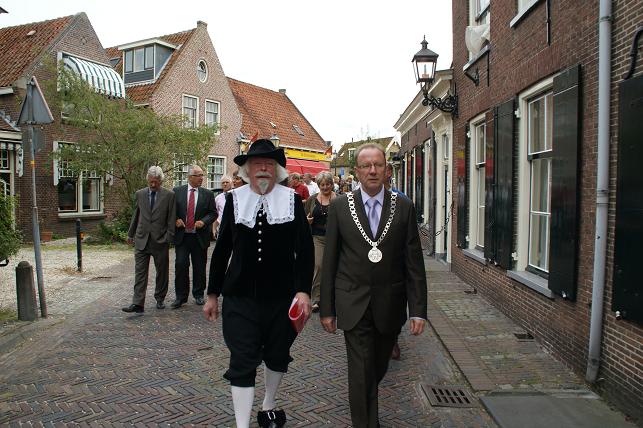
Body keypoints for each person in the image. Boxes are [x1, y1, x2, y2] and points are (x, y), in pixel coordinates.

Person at [203, 139, 314, 428]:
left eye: (268, 164)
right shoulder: (233, 200)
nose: (263, 168)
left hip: (281, 296)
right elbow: (223, 249)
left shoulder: (292, 200)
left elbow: (305, 249)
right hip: (240, 296)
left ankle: (268, 404)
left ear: (276, 170)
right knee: (242, 359)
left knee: (278, 353)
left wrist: (303, 290)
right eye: (257, 164)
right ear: (247, 170)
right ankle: (242, 425)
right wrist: (212, 293)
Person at [320, 143, 427, 428]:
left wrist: (418, 310)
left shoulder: (403, 207)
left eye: (378, 165)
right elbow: (329, 260)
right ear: (356, 171)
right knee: (359, 372)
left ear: (386, 170)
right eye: (366, 165)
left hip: (390, 304)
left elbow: (413, 263)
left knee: (375, 368)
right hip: (352, 302)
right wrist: (327, 309)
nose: (372, 170)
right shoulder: (341, 207)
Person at [122, 166, 176, 313]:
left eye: (156, 182)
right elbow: (137, 214)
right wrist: (130, 234)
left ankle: (160, 298)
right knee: (140, 272)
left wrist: (168, 238)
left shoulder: (169, 196)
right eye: (151, 182)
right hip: (141, 239)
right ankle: (138, 303)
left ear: (161, 181)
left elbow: (171, 219)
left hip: (160, 240)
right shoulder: (140, 194)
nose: (153, 185)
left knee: (162, 272)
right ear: (147, 180)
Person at [172, 165, 217, 309]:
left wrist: (204, 221)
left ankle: (198, 294)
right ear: (190, 177)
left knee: (199, 267)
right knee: (181, 265)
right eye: (198, 175)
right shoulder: (177, 192)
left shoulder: (208, 194)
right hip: (182, 236)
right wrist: (175, 219)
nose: (201, 178)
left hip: (199, 237)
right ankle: (180, 296)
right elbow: (170, 210)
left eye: (202, 175)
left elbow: (213, 213)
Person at [304, 171, 336, 313]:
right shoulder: (312, 200)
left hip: (335, 237)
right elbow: (304, 218)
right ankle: (316, 299)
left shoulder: (340, 199)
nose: (325, 187)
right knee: (318, 266)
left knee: (334, 267)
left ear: (332, 185)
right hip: (317, 237)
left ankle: (333, 298)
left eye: (328, 184)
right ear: (318, 185)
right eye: (322, 185)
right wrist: (307, 221)